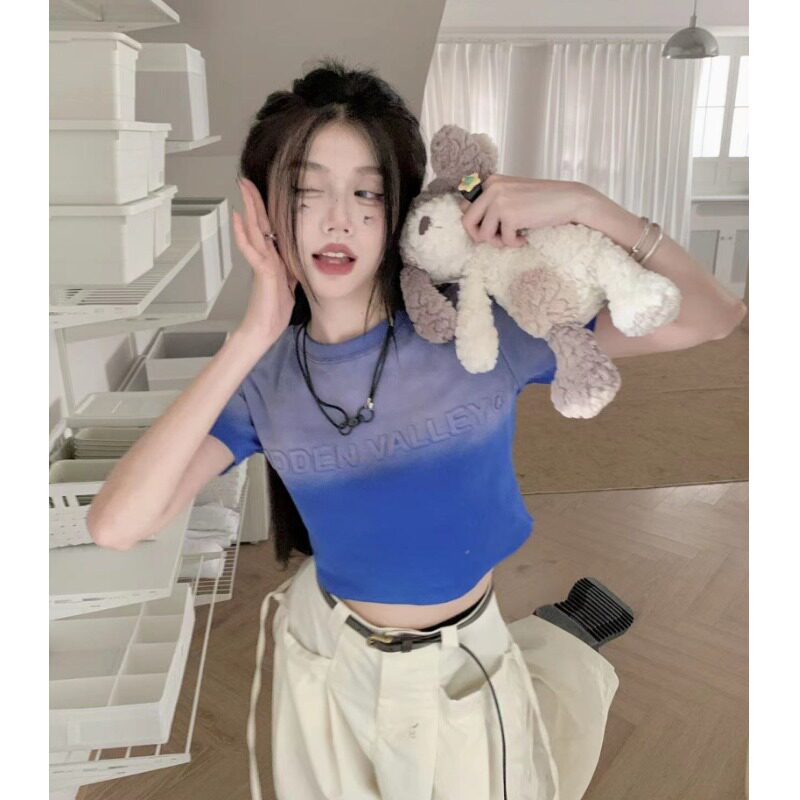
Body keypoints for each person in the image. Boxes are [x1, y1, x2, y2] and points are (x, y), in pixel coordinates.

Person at [88, 58, 747, 800]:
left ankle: (562, 640)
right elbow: (116, 525)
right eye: (306, 190)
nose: (337, 219)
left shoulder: (481, 331)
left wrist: (590, 205)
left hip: (463, 655)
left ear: (398, 206)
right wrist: (251, 335)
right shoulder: (262, 380)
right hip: (325, 652)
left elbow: (712, 316)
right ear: (264, 210)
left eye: (366, 192)